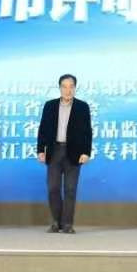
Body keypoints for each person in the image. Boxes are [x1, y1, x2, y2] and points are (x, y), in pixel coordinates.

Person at [36, 74, 93, 234]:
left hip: (74, 152)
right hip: (54, 151)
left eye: (71, 87)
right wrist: (40, 150)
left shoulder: (82, 107)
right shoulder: (50, 106)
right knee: (53, 188)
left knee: (70, 189)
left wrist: (86, 152)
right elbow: (43, 129)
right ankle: (56, 222)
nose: (68, 90)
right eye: (64, 86)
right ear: (60, 88)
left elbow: (87, 131)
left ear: (75, 88)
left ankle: (67, 224)